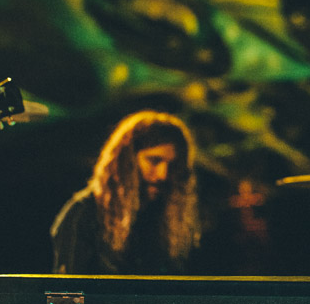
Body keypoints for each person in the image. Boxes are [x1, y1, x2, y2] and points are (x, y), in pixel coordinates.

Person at [51, 110, 201, 274]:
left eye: (173, 165)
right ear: (126, 160)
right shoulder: (83, 213)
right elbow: (66, 296)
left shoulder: (164, 218)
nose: (163, 175)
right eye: (154, 160)